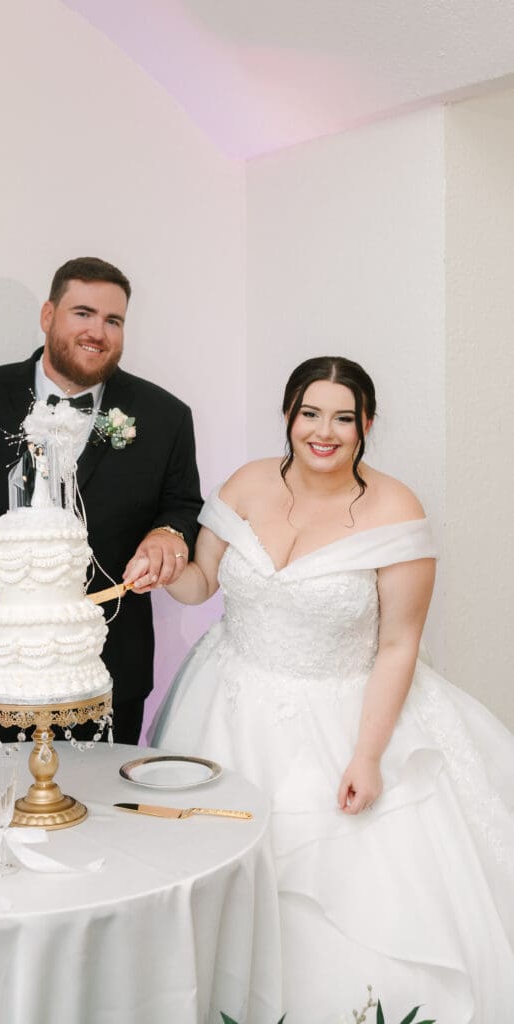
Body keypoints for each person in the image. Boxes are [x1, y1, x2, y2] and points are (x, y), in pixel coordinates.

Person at [137, 357, 514, 1022]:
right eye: (310, 413)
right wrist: (162, 570)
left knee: (331, 886)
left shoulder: (393, 508)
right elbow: (200, 583)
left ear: (366, 424)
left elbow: (398, 644)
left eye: (343, 417)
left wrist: (366, 757)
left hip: (343, 713)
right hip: (226, 702)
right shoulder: (247, 485)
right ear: (288, 415)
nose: (324, 431)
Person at [0, 257, 202, 743]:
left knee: (106, 811)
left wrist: (167, 535)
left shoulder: (165, 416)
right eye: (82, 313)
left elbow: (182, 506)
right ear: (48, 316)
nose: (98, 332)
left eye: (113, 320)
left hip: (110, 666)